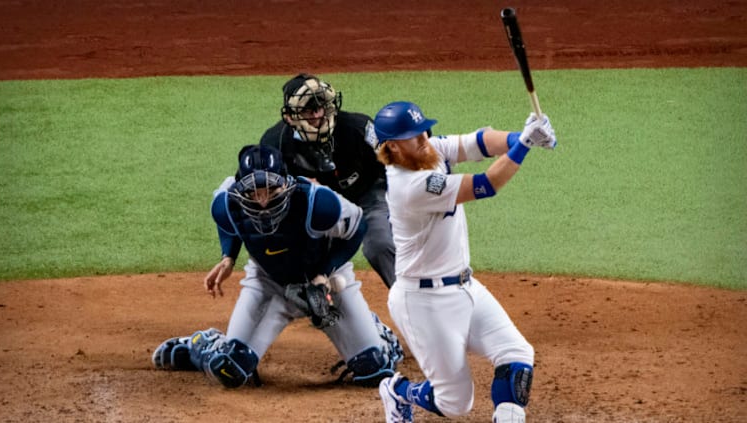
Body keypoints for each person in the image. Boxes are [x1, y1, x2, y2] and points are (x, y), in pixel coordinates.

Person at [152, 145, 403, 388]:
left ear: (286, 182)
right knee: (231, 368)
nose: (262, 201)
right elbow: (229, 225)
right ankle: (204, 344)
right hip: (269, 283)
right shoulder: (226, 203)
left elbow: (357, 227)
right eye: (253, 191)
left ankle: (376, 332)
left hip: (325, 281)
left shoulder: (318, 203)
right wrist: (228, 257)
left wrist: (323, 273)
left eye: (270, 190)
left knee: (376, 368)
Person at [372, 101, 557, 423]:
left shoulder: (426, 151)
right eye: (412, 135)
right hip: (424, 302)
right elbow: (487, 185)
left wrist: (520, 135)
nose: (423, 138)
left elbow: (479, 141)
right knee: (455, 404)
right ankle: (399, 391)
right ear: (392, 146)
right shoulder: (408, 186)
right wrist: (526, 144)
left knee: (517, 356)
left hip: (466, 287)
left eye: (423, 130)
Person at [258, 73, 396, 288]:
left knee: (380, 244)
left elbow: (394, 168)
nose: (317, 114)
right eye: (307, 110)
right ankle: (314, 297)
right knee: (301, 253)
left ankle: (409, 297)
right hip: (315, 211)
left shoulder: (358, 128)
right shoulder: (276, 144)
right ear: (289, 117)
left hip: (366, 196)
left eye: (320, 106)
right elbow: (266, 197)